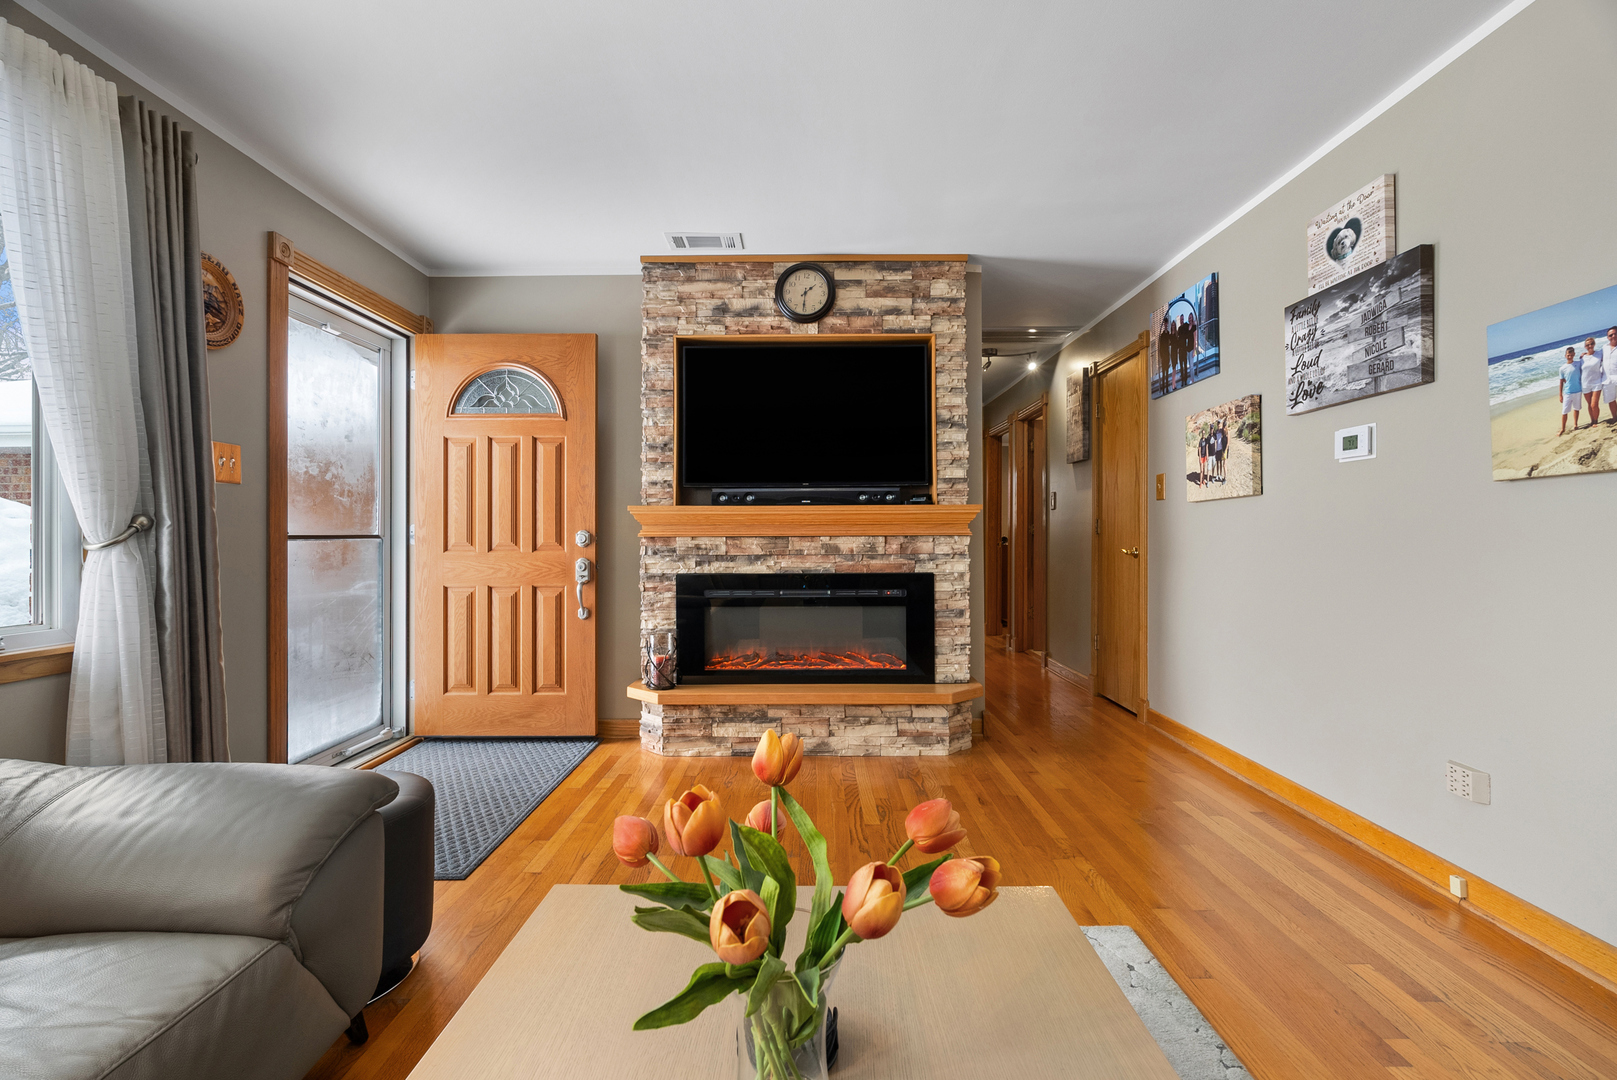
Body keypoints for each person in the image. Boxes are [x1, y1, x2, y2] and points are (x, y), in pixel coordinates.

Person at [1579, 337, 1604, 423]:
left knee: (1594, 404)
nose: (1590, 346)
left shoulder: (1600, 353)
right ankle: (1592, 421)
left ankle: (1596, 421)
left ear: (1594, 344)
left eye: (1592, 344)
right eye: (1587, 345)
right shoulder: (1582, 358)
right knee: (1589, 405)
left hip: (1597, 382)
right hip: (1585, 384)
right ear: (1585, 346)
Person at [1559, 345, 1582, 434]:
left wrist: (1583, 355)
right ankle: (1562, 429)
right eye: (1568, 355)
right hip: (1567, 392)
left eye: (1571, 355)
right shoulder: (1562, 368)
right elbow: (1561, 382)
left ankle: (1575, 424)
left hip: (1578, 391)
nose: (1570, 357)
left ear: (1574, 354)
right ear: (1565, 356)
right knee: (1564, 411)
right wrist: (1560, 395)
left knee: (1576, 408)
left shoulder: (1578, 363)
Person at [1603, 326, 1617, 423]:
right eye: (1610, 335)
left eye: (1615, 334)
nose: (1613, 336)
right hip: (1607, 378)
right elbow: (1595, 356)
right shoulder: (1604, 348)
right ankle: (1615, 418)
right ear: (1608, 337)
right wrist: (1584, 354)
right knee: (1611, 400)